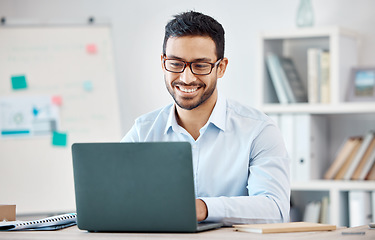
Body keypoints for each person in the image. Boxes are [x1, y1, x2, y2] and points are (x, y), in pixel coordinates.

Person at [122, 11, 290, 226]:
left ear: (221, 67)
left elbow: (275, 209)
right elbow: (115, 199)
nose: (186, 77)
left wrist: (202, 208)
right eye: (175, 63)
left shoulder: (259, 130)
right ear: (163, 62)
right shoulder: (142, 132)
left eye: (200, 65)